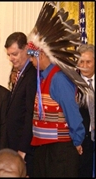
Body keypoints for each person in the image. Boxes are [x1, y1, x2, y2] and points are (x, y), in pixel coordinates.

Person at [26, 2, 91, 177]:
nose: (30, 62)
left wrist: (77, 140)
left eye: (32, 57)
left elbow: (72, 112)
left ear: (41, 54)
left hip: (60, 151)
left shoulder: (59, 79)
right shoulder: (44, 78)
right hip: (44, 148)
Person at [4, 32, 37, 177]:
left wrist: (22, 150)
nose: (11, 58)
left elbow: (30, 114)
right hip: (15, 145)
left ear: (25, 49)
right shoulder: (21, 73)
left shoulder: (32, 74)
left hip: (25, 150)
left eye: (15, 54)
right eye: (9, 55)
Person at [77, 44, 95, 178]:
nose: (84, 65)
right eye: (81, 62)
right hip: (82, 140)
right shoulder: (72, 83)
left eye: (88, 62)